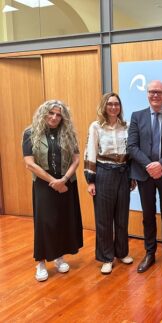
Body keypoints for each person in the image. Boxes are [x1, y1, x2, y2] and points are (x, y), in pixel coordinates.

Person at [22, 100, 83, 282]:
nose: (55, 117)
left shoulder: (68, 133)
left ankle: (58, 257)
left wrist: (63, 180)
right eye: (51, 113)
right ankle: (40, 263)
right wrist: (53, 181)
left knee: (63, 220)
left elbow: (76, 159)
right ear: (43, 113)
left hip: (66, 183)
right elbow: (29, 163)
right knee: (45, 222)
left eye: (58, 114)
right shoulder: (30, 133)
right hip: (44, 184)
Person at [127, 80, 162, 274]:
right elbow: (132, 146)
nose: (155, 95)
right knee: (148, 215)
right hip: (145, 174)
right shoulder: (137, 116)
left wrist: (161, 164)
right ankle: (150, 252)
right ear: (147, 94)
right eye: (152, 92)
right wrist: (149, 166)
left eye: (159, 92)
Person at [84, 93, 136, 274]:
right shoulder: (96, 126)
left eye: (117, 104)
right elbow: (90, 152)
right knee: (104, 219)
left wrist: (132, 176)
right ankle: (106, 257)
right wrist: (90, 180)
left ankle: (121, 252)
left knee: (122, 217)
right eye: (110, 104)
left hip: (123, 173)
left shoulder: (127, 126)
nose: (114, 107)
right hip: (103, 174)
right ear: (104, 106)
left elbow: (131, 153)